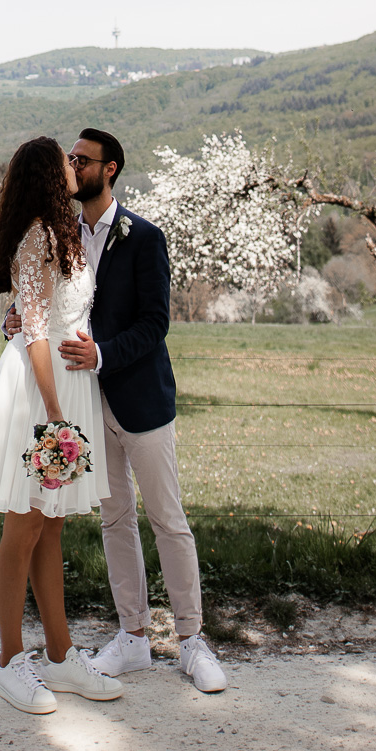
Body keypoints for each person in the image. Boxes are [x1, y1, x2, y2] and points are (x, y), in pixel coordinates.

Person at [58, 127, 227, 694]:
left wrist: (103, 353)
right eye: (70, 158)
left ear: (110, 170)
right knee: (113, 518)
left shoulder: (144, 238)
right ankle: (131, 636)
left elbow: (155, 324)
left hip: (142, 400)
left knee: (168, 520)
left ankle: (192, 640)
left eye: (82, 159)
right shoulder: (61, 237)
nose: (73, 165)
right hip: (85, 402)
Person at [0, 135, 125, 715]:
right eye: (65, 160)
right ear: (46, 174)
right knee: (24, 525)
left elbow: (53, 313)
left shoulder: (62, 234)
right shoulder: (37, 234)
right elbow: (33, 328)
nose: (72, 166)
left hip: (66, 387)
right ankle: (10, 661)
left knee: (50, 525)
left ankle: (59, 657)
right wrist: (55, 412)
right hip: (41, 394)